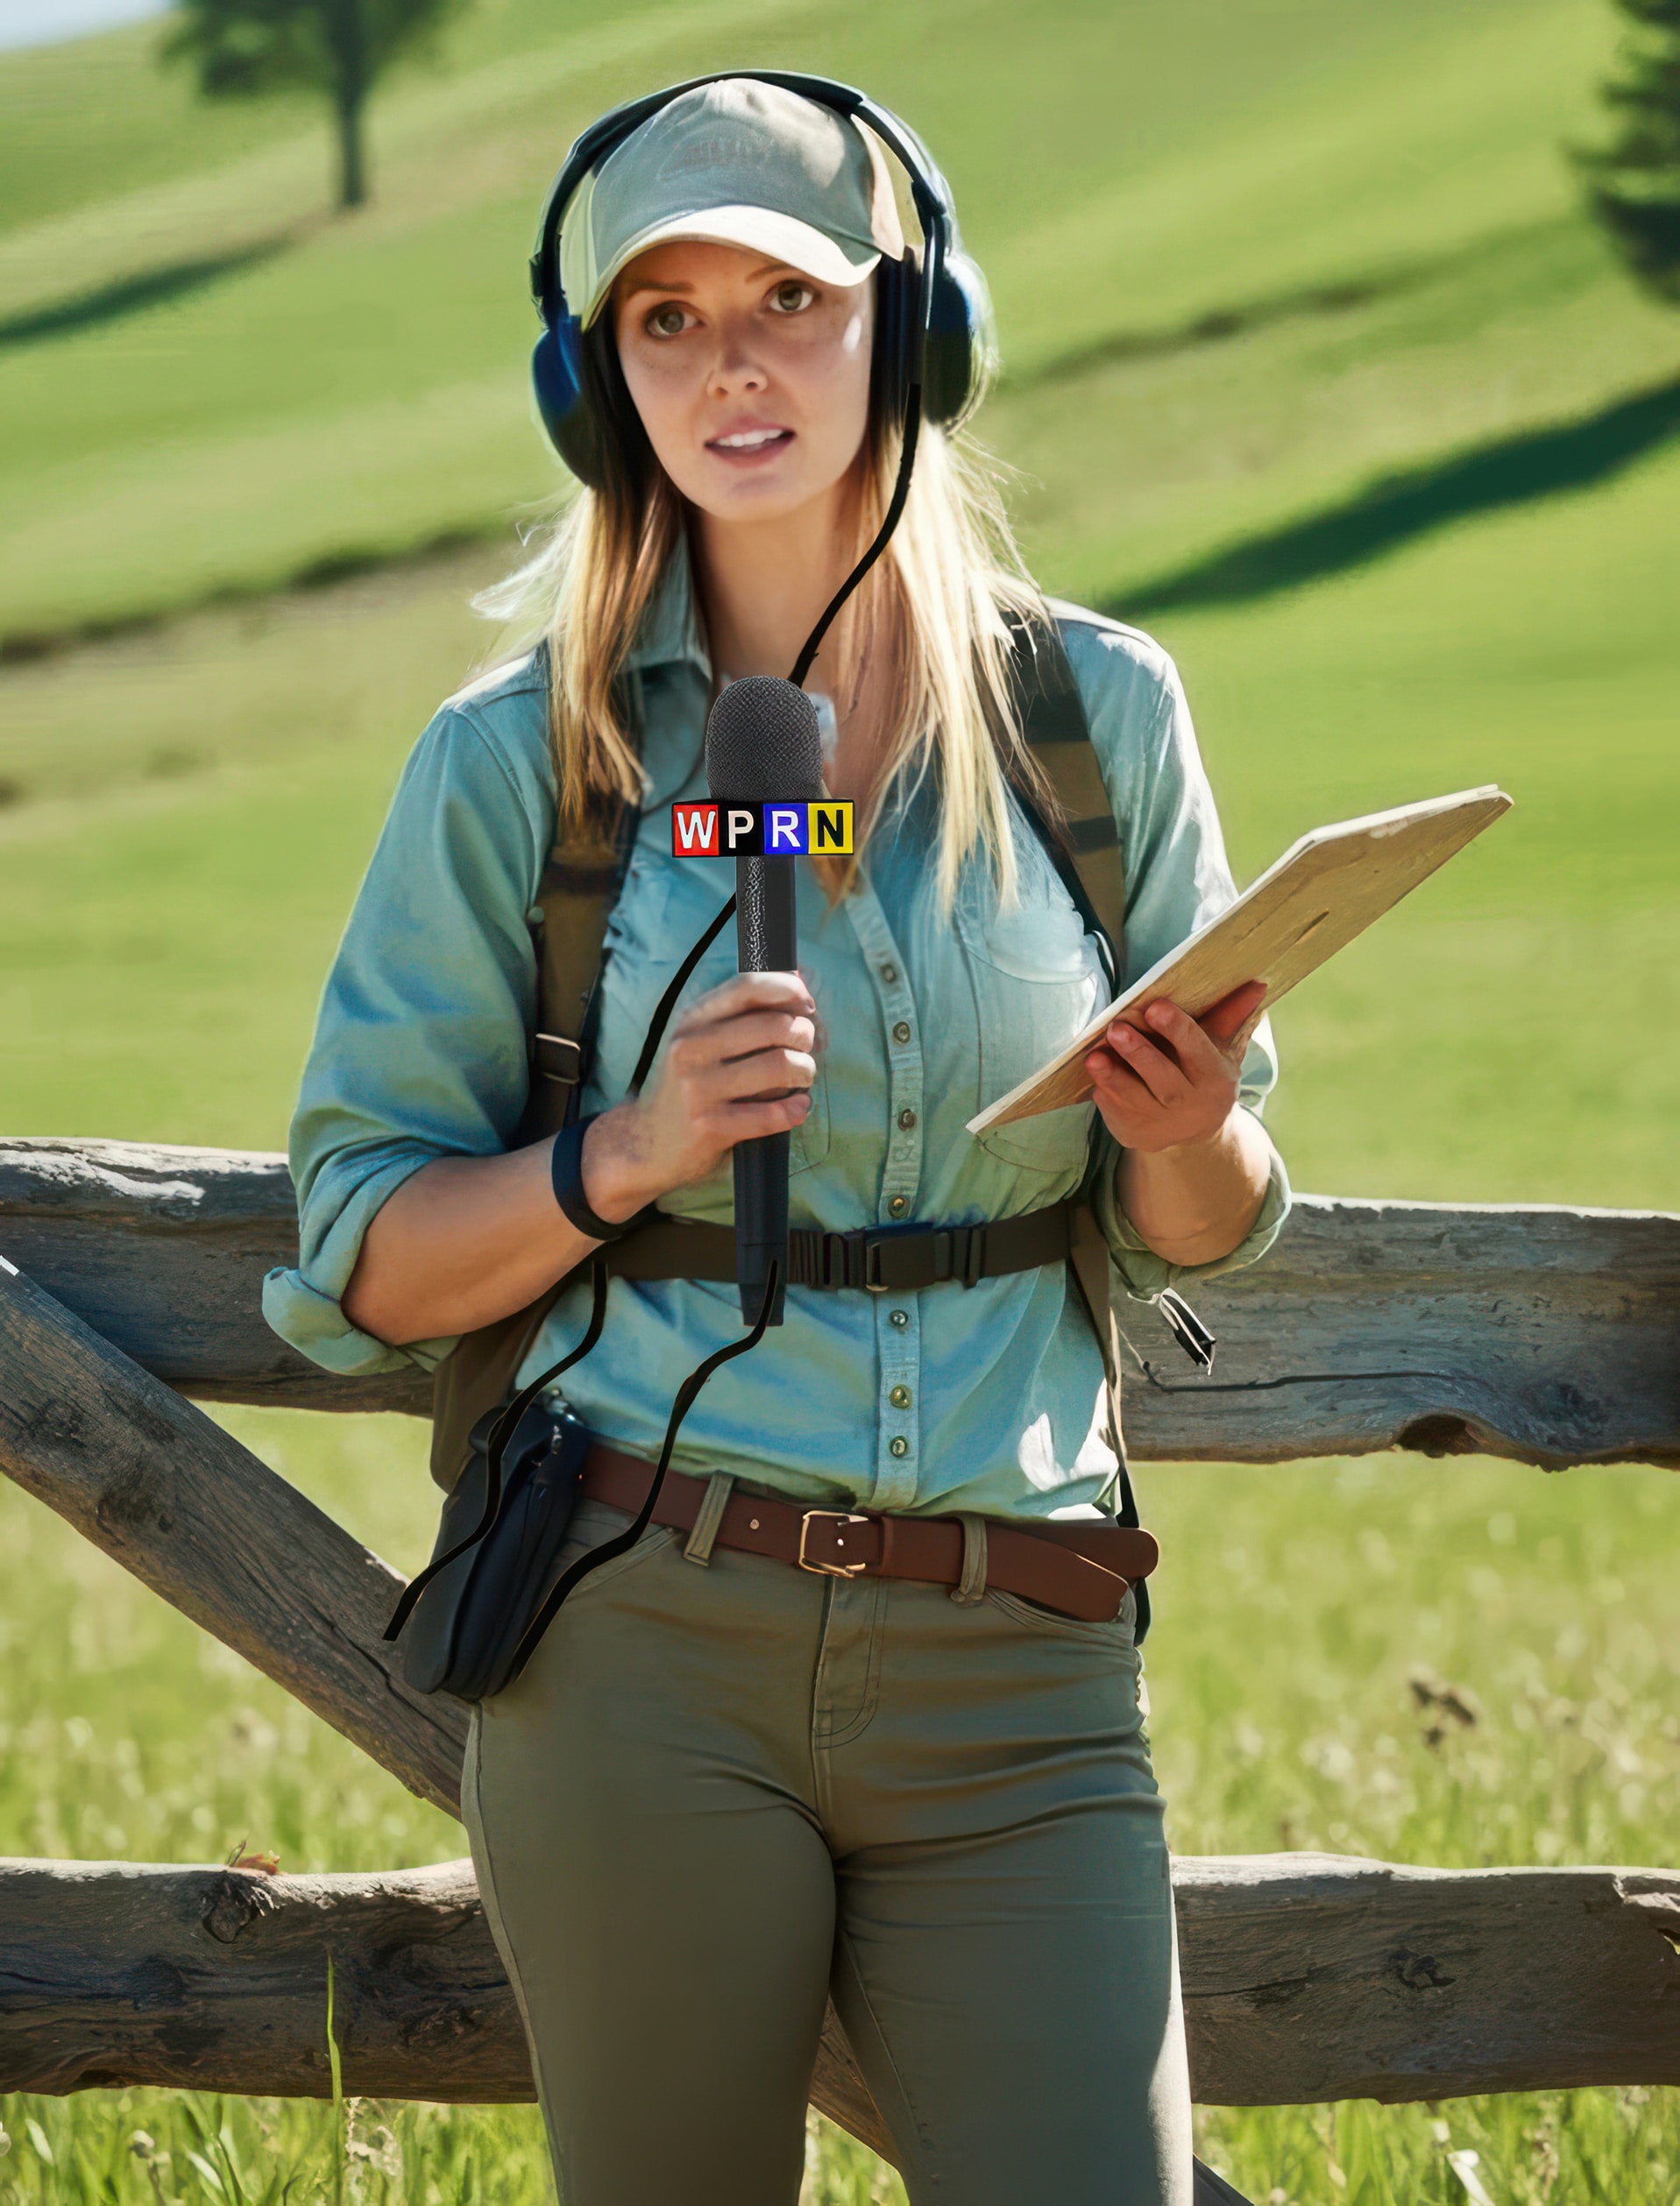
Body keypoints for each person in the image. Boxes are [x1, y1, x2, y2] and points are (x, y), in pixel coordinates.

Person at [266, 74, 1289, 2206]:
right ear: (592, 379)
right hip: (643, 1640)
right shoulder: (513, 769)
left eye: (790, 302)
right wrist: (618, 1155)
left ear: (911, 335)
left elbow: (1205, 1218)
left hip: (1021, 1655)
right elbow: (360, 1251)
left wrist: (1185, 1131)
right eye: (663, 319)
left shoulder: (1091, 721)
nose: (730, 365)